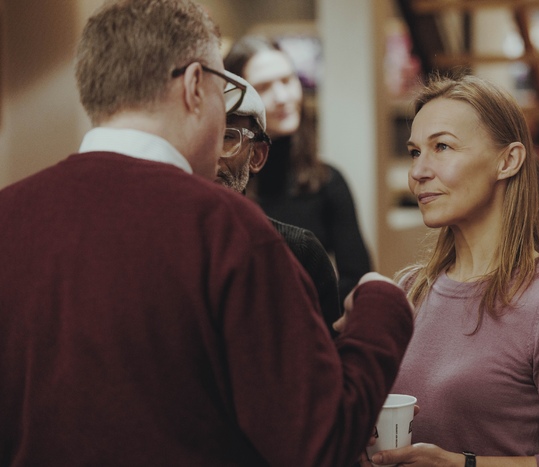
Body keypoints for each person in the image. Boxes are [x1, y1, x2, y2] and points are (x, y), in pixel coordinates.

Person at [0, 1, 414, 465]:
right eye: (224, 88)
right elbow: (320, 443)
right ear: (196, 86)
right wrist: (381, 310)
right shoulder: (228, 231)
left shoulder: (7, 216)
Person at [365, 73, 539, 466]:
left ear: (508, 160)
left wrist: (463, 464)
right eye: (415, 152)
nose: (418, 172)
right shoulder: (409, 290)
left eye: (442, 147)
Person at [224, 36, 372, 300]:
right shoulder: (224, 184)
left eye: (287, 80)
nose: (282, 97)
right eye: (265, 87)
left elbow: (358, 279)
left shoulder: (328, 181)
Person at [215, 75, 341, 334]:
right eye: (200, 136)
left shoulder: (299, 254)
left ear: (257, 156)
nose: (212, 153)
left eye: (228, 137)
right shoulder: (160, 244)